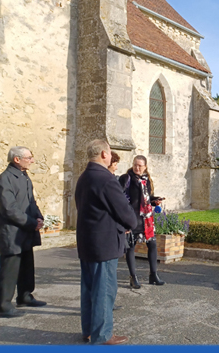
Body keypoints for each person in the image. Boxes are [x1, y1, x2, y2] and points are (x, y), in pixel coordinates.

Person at [74, 138, 139, 346]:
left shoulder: (84, 177)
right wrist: (131, 222)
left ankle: (89, 331)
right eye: (110, 153)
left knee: (89, 289)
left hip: (87, 240)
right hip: (105, 242)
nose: (111, 156)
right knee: (104, 290)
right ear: (103, 154)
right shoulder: (106, 179)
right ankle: (102, 335)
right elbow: (125, 212)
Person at [0, 146, 46, 318]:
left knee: (26, 266)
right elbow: (9, 209)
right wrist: (31, 223)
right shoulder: (4, 180)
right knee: (10, 270)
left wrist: (38, 217)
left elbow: (31, 201)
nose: (32, 160)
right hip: (12, 233)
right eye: (29, 157)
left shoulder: (24, 177)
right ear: (17, 159)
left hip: (25, 231)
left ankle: (25, 296)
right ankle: (3, 306)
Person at [119, 155, 165, 289]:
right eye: (135, 165)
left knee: (152, 245)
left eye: (140, 165)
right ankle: (133, 278)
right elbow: (120, 197)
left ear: (145, 167)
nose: (137, 168)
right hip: (132, 218)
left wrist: (154, 200)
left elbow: (146, 198)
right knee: (131, 248)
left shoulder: (146, 180)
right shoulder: (127, 178)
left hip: (146, 219)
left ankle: (153, 275)